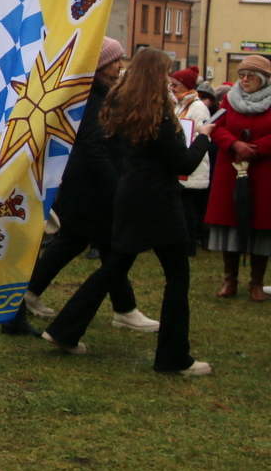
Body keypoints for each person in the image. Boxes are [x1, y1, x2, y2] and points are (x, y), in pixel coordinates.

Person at [43, 48, 214, 375]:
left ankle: (64, 329)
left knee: (114, 266)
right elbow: (184, 164)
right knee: (177, 278)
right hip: (159, 202)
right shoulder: (159, 116)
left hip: (130, 196)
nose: (168, 79)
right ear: (156, 76)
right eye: (166, 73)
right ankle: (174, 357)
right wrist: (203, 138)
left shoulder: (121, 108)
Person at [13, 38, 159, 332]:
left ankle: (32, 293)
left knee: (82, 241)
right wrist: (116, 187)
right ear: (101, 65)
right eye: (115, 61)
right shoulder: (94, 97)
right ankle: (124, 309)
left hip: (88, 184)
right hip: (92, 186)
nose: (120, 66)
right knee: (104, 244)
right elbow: (94, 146)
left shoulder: (99, 93)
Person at [203, 54, 271, 300]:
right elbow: (214, 126)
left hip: (263, 173)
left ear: (263, 79)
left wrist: (256, 149)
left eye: (250, 76)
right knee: (229, 223)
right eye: (241, 75)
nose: (244, 80)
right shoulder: (228, 101)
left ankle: (256, 283)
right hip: (230, 170)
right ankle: (230, 280)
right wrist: (234, 144)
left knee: (261, 227)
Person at [171, 67, 211, 250]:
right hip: (181, 158)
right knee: (180, 205)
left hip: (193, 161)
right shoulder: (177, 104)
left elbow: (202, 134)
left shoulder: (198, 107)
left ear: (186, 86)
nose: (172, 88)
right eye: (171, 84)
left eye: (176, 85)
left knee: (188, 207)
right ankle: (181, 242)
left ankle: (189, 245)